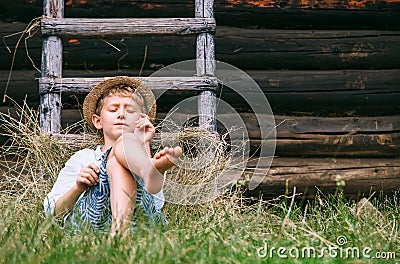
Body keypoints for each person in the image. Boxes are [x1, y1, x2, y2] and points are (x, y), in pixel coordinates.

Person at [44, 76, 182, 235]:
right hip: (91, 225)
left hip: (141, 226)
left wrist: (145, 144)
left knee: (118, 159)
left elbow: (155, 205)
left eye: (130, 110)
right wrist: (78, 187)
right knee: (116, 155)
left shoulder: (146, 152)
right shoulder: (83, 158)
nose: (122, 114)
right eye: (113, 109)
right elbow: (52, 213)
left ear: (142, 119)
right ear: (98, 121)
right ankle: (147, 170)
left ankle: (119, 234)